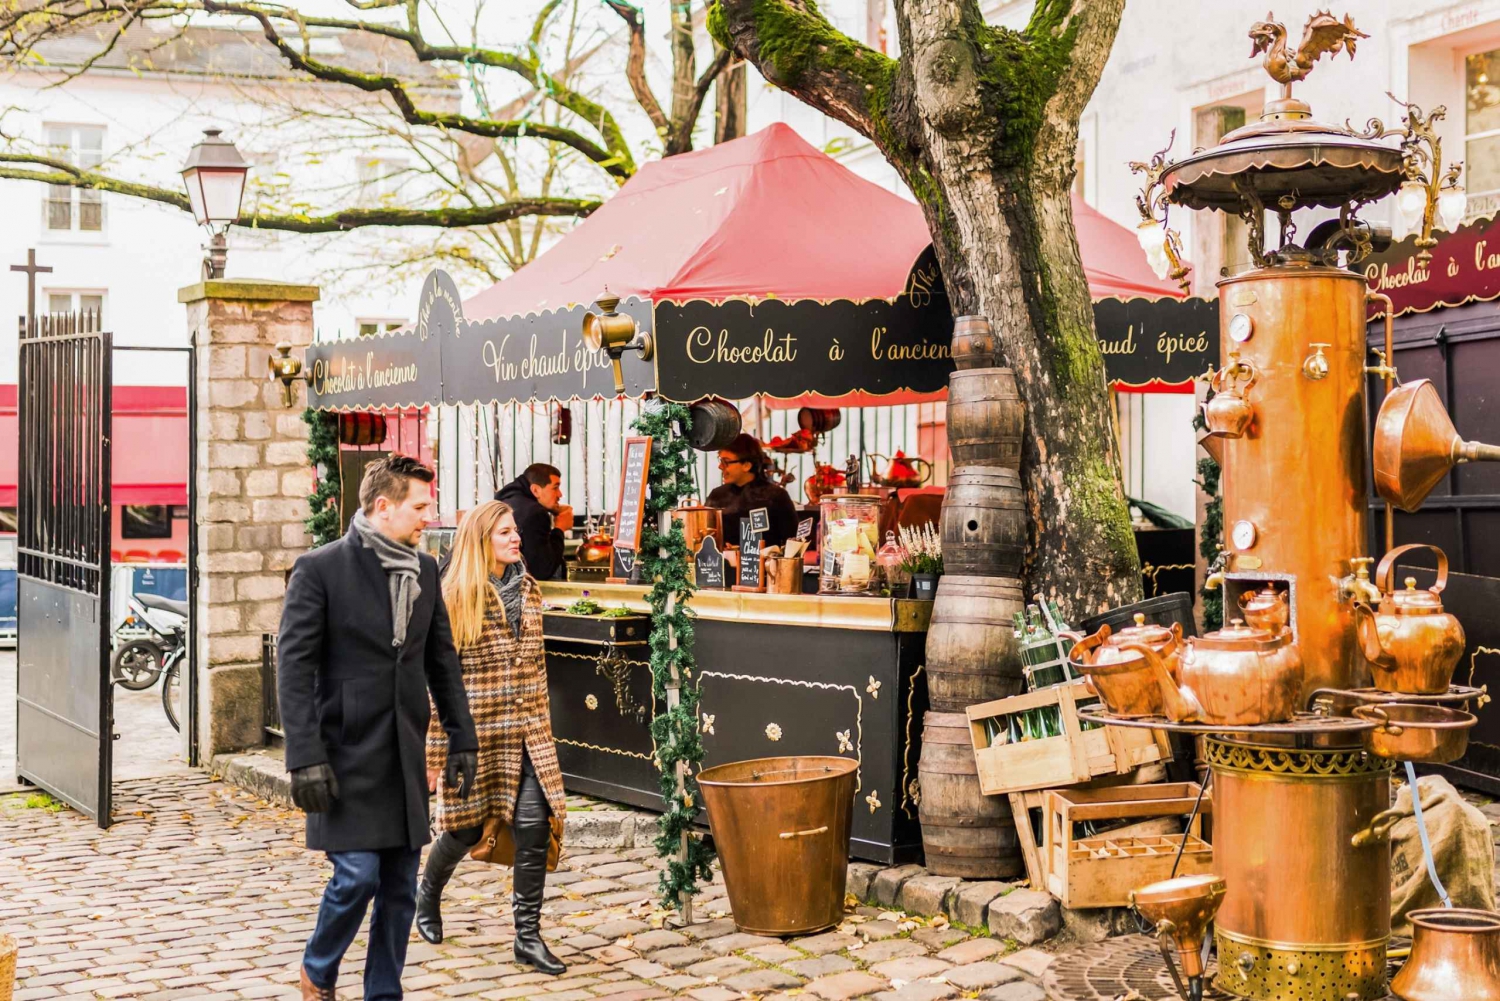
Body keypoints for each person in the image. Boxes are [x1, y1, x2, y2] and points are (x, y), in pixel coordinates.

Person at [278, 455, 479, 1001]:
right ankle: (318, 971)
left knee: (398, 890)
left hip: (404, 751)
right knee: (356, 877)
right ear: (382, 506)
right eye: (419, 506)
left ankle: (383, 993)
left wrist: (463, 736)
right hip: (343, 753)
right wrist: (304, 756)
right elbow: (293, 668)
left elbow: (441, 660)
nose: (428, 516)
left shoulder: (427, 570)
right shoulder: (319, 569)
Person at [414, 500, 569, 975]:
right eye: (505, 532)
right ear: (482, 540)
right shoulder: (455, 595)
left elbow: (537, 666)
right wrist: (436, 755)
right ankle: (427, 894)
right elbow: (440, 681)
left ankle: (527, 936)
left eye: (515, 530)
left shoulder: (530, 588)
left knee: (533, 826)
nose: (516, 538)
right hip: (475, 736)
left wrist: (542, 724)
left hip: (527, 733)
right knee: (462, 830)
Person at [705, 433, 799, 549]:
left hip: (765, 566)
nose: (720, 466)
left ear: (746, 465)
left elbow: (792, 543)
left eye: (726, 462)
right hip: (722, 566)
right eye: (720, 460)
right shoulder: (716, 496)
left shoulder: (776, 497)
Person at [495, 463, 573, 581]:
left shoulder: (506, 502)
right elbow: (543, 570)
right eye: (555, 487)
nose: (560, 494)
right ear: (535, 490)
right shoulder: (535, 513)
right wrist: (560, 528)